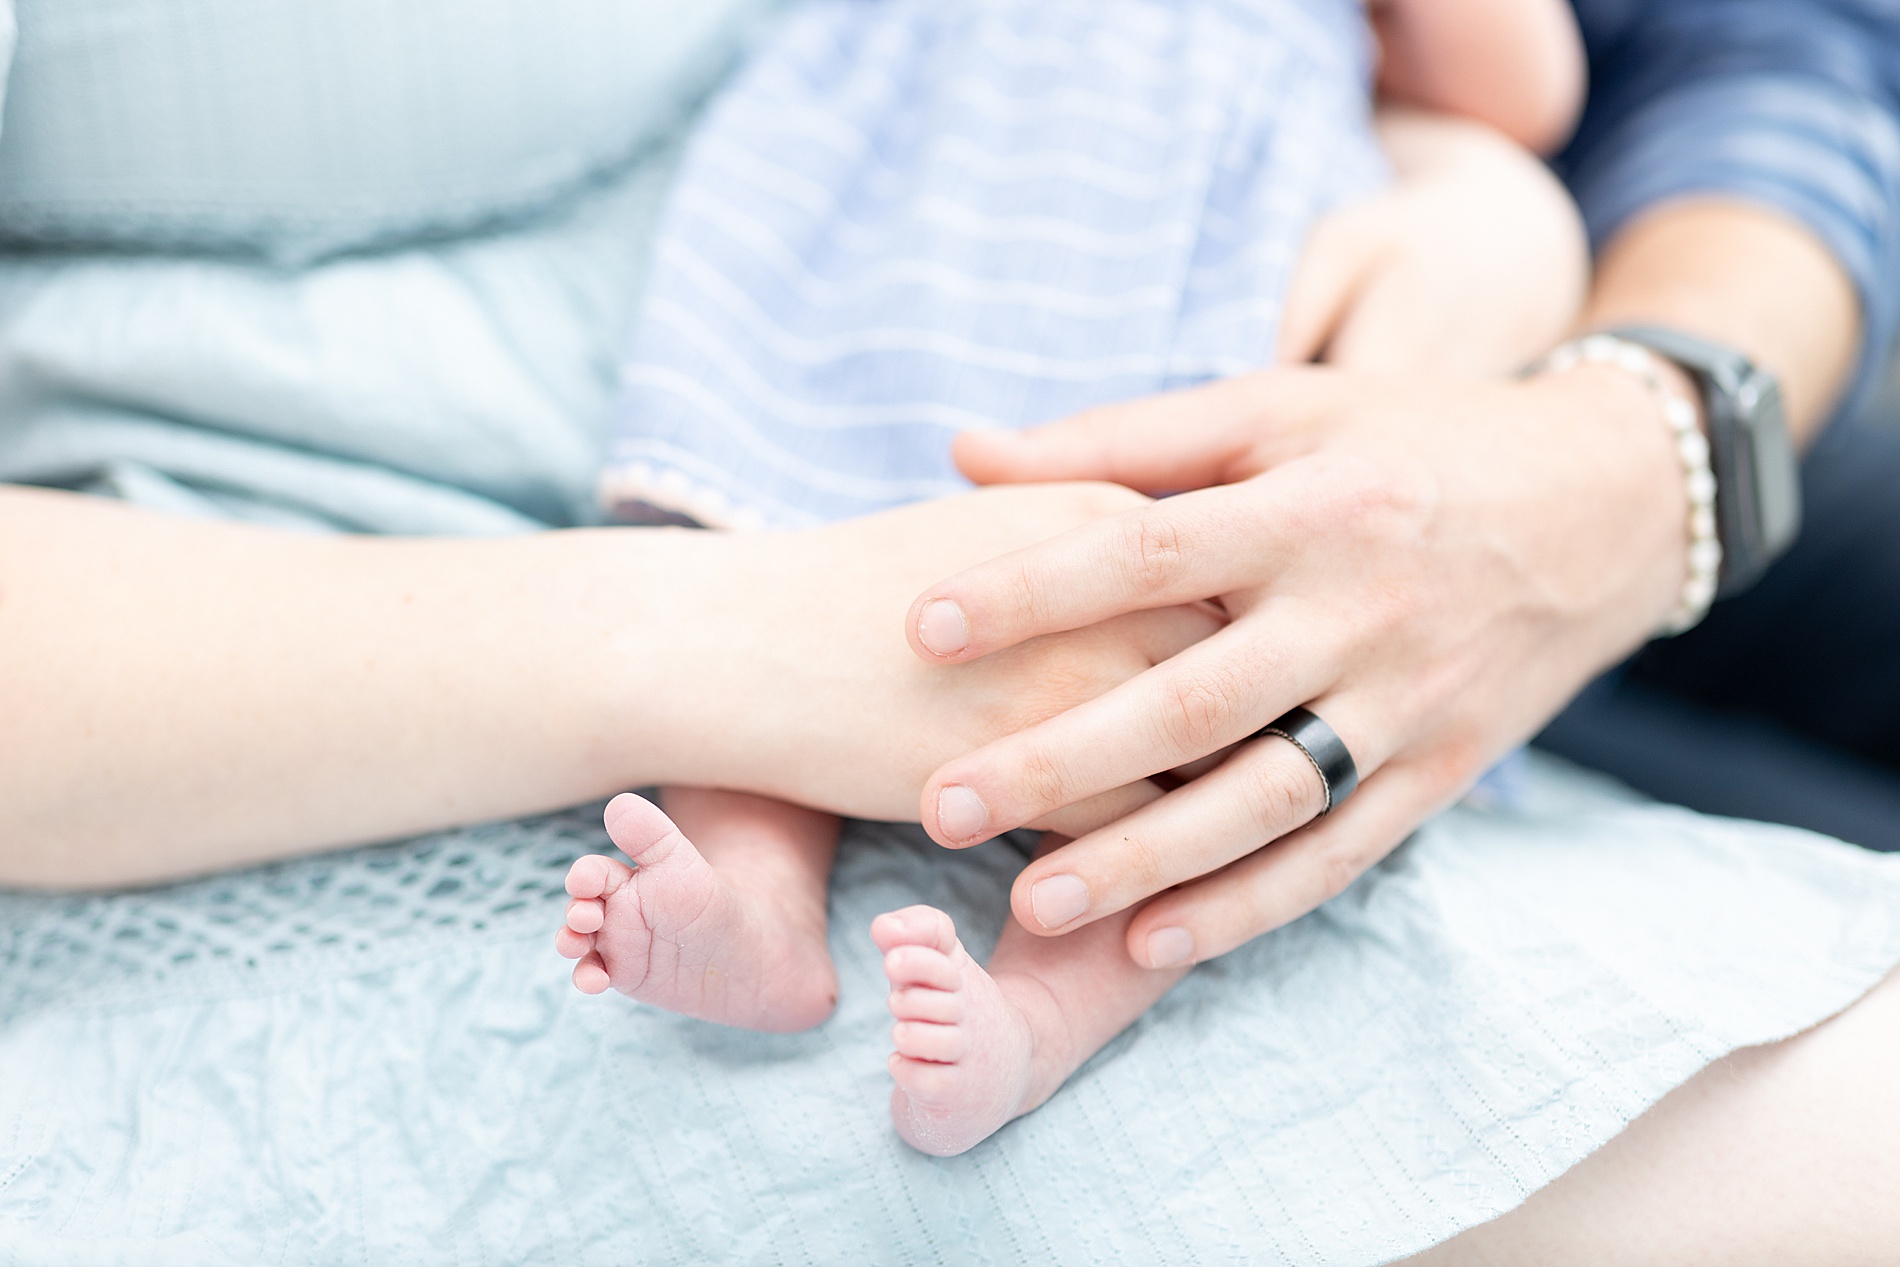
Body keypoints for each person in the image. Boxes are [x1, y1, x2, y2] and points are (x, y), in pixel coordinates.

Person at [559, 0, 1590, 1158]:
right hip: (909, 205)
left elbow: (1518, 91)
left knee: (1189, 676)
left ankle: (1042, 1014)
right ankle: (754, 898)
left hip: (1191, 234)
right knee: (776, 562)